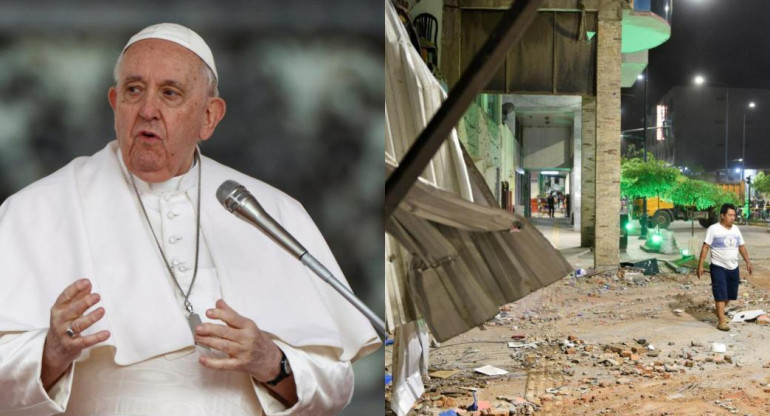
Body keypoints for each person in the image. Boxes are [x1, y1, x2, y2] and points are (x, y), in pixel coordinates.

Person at [0, 23, 379, 415]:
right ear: (115, 102)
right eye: (134, 90)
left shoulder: (271, 212)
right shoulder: (39, 210)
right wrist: (49, 354)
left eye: (170, 93)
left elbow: (336, 385)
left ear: (209, 117)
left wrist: (271, 361)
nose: (148, 110)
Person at [696, 203, 753, 331]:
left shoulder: (736, 229)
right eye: (730, 215)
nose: (733, 217)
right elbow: (705, 247)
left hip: (733, 266)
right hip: (718, 266)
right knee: (720, 293)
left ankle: (719, 311)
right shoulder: (713, 229)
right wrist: (700, 265)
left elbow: (741, 246)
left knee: (731, 294)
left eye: (734, 215)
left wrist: (748, 262)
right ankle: (721, 321)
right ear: (722, 215)